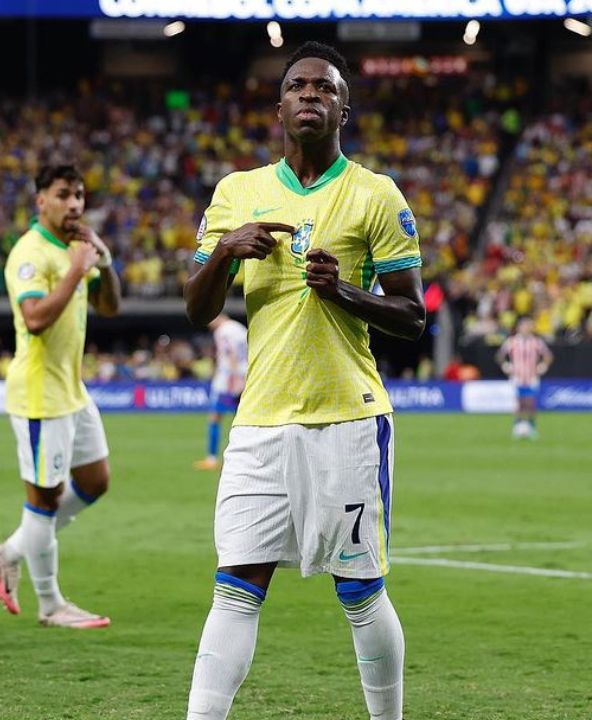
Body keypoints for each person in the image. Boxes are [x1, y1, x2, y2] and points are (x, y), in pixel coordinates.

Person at [182, 42, 426, 720]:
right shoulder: (237, 193)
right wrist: (226, 252)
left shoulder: (376, 194)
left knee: (360, 592)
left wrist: (345, 290)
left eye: (324, 88)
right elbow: (197, 308)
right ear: (280, 105)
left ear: (345, 106)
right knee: (234, 585)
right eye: (297, 86)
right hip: (260, 423)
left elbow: (413, 315)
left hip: (347, 419)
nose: (310, 95)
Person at [0, 164, 121, 629]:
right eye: (64, 194)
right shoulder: (30, 252)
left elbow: (110, 306)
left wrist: (102, 259)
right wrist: (77, 270)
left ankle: (10, 552)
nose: (75, 203)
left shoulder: (76, 248)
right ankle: (50, 604)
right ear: (42, 201)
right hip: (39, 395)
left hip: (72, 391)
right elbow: (35, 318)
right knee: (43, 501)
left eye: (80, 194)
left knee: (95, 481)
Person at [194, 314, 248, 471]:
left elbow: (230, 353)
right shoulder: (240, 328)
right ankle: (244, 458)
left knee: (214, 417)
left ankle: (211, 458)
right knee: (241, 419)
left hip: (228, 380)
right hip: (246, 374)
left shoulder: (223, 331)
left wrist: (235, 378)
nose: (209, 326)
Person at [495, 317, 552, 440]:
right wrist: (505, 365)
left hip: (532, 377)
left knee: (530, 403)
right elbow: (500, 356)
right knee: (519, 403)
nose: (527, 328)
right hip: (517, 377)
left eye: (529, 326)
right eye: (525, 326)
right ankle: (517, 426)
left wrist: (543, 366)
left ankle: (532, 427)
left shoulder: (537, 342)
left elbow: (548, 356)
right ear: (519, 327)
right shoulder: (511, 341)